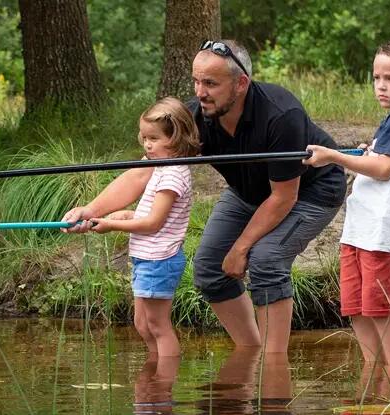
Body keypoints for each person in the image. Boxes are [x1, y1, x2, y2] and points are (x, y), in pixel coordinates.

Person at [188, 40, 347, 353]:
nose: (200, 92)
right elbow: (148, 164)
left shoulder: (281, 114)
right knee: (208, 268)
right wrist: (96, 210)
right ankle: (251, 353)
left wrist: (240, 248)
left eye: (210, 83)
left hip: (311, 191)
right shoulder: (195, 116)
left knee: (266, 258)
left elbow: (284, 197)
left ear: (241, 83)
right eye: (195, 81)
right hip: (250, 193)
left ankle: (275, 364)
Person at [303, 39, 390, 393]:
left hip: (382, 230)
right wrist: (363, 151)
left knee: (378, 308)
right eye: (376, 78)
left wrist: (334, 156)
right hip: (360, 229)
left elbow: (384, 169)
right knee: (355, 306)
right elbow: (381, 157)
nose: (381, 86)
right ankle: (372, 379)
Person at [61, 97, 201, 357]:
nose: (147, 144)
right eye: (144, 137)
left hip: (160, 259)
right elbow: (150, 213)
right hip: (147, 257)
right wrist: (123, 214)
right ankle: (154, 372)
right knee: (142, 324)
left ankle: (163, 383)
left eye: (154, 138)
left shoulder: (172, 173)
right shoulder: (160, 164)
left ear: (176, 137)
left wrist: (111, 224)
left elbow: (153, 222)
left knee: (158, 325)